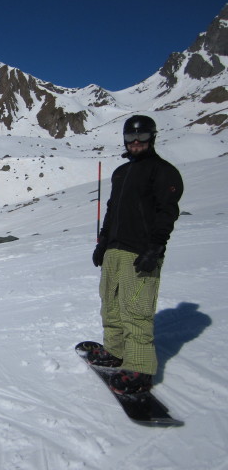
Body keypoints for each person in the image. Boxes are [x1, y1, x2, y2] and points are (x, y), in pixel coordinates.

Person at [89, 115, 184, 394]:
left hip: (141, 252)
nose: (136, 143)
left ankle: (140, 369)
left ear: (152, 137)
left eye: (142, 137)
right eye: (131, 138)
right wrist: (102, 243)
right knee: (111, 304)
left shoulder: (163, 171)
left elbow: (168, 212)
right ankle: (115, 351)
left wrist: (155, 248)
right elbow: (111, 210)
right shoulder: (121, 172)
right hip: (115, 250)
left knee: (136, 310)